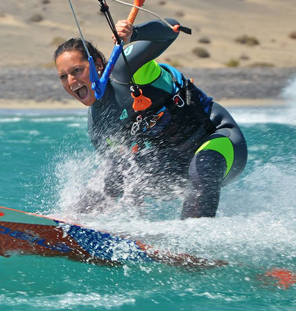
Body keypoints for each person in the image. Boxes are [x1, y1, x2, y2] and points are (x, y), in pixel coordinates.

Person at [54, 18, 247, 219]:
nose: (71, 81)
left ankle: (190, 244)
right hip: (174, 169)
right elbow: (125, 171)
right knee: (114, 168)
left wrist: (134, 33)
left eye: (77, 70)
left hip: (220, 144)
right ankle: (72, 224)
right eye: (63, 76)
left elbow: (171, 29)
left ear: (98, 65)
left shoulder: (125, 69)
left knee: (202, 166)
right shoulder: (98, 126)